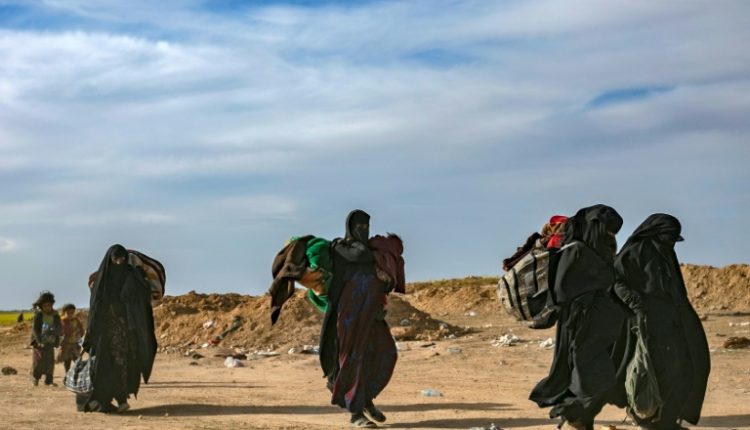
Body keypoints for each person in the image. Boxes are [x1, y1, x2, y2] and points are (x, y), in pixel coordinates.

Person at [609, 214, 710, 429]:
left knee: (687, 367)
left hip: (672, 322)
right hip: (648, 325)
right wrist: (635, 303)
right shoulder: (634, 252)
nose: (670, 243)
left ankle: (668, 420)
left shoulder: (666, 253)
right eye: (668, 238)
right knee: (653, 372)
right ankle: (647, 419)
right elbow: (616, 281)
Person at [529, 204, 625, 430]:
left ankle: (578, 418)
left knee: (592, 375)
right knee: (588, 375)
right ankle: (572, 414)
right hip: (578, 324)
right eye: (608, 231)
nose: (610, 237)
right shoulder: (576, 250)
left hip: (594, 325)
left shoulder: (597, 250)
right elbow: (562, 290)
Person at [319, 210, 404, 428]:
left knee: (387, 353)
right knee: (352, 359)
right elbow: (360, 256)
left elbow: (382, 278)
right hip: (349, 314)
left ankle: (366, 398)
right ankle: (355, 412)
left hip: (373, 312)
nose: (363, 231)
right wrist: (375, 252)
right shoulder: (340, 247)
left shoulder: (373, 251)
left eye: (366, 226)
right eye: (359, 226)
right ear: (350, 227)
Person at [80, 244, 157, 413]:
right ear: (110, 259)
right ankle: (101, 400)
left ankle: (120, 399)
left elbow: (141, 296)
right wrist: (91, 333)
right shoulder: (102, 278)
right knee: (104, 365)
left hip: (127, 329)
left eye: (122, 259)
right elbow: (95, 306)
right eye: (116, 259)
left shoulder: (131, 274)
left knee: (124, 364)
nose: (119, 262)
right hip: (104, 330)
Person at [30, 291, 62, 386]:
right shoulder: (38, 315)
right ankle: (35, 378)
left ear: (52, 305)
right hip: (39, 342)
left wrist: (54, 333)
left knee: (50, 362)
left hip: (50, 342)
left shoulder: (55, 315)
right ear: (41, 306)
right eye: (45, 306)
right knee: (38, 361)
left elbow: (59, 328)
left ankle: (49, 381)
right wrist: (39, 341)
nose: (47, 307)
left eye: (49, 305)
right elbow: (35, 329)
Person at [58, 304, 84, 373]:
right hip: (66, 345)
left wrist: (79, 335)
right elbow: (59, 332)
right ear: (64, 312)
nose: (70, 314)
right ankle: (67, 374)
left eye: (72, 312)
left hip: (75, 344)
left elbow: (81, 330)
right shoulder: (62, 321)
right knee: (67, 361)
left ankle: (78, 374)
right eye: (68, 312)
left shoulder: (77, 320)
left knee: (78, 361)